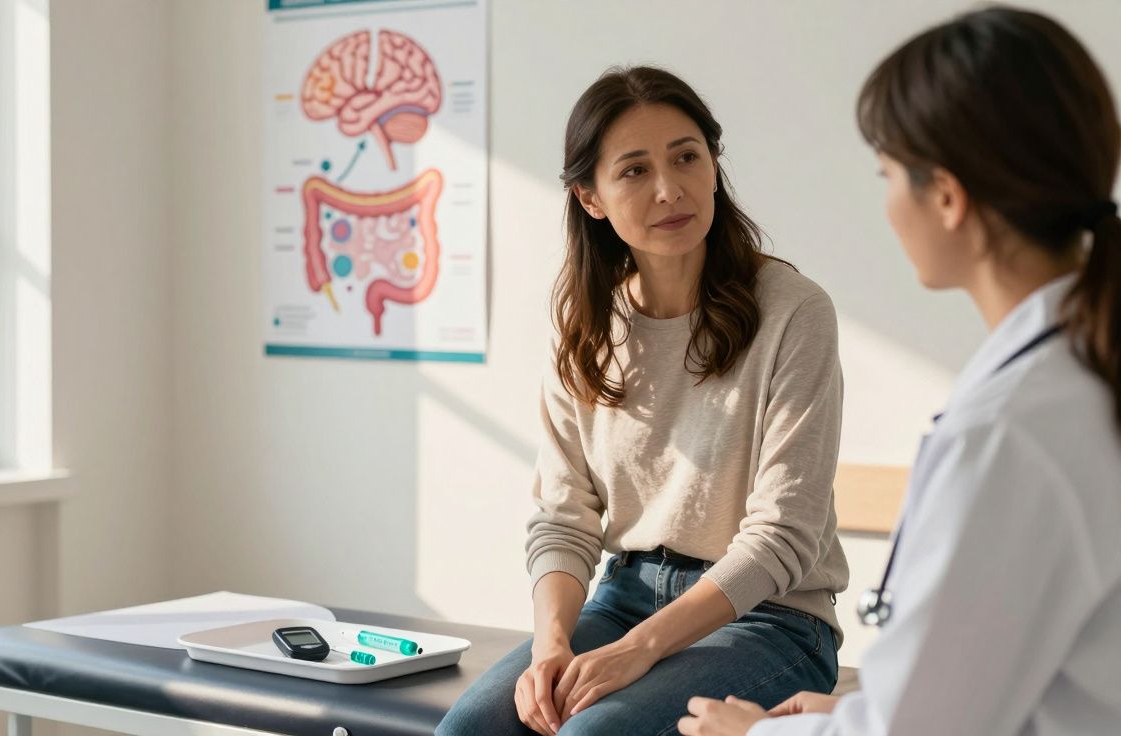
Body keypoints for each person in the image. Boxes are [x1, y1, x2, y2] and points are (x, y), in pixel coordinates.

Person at [681, 6, 1121, 735]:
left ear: (947, 197)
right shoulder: (1076, 376)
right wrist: (859, 710)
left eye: (888, 174)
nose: (886, 203)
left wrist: (755, 734)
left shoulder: (1009, 432)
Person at [436, 65, 849, 736]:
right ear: (590, 197)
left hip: (771, 620)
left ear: (713, 165)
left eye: (687, 157)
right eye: (633, 171)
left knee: (592, 734)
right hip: (624, 597)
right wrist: (551, 647)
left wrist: (637, 651)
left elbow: (783, 537)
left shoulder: (794, 313)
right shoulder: (588, 327)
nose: (669, 189)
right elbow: (564, 517)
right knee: (471, 730)